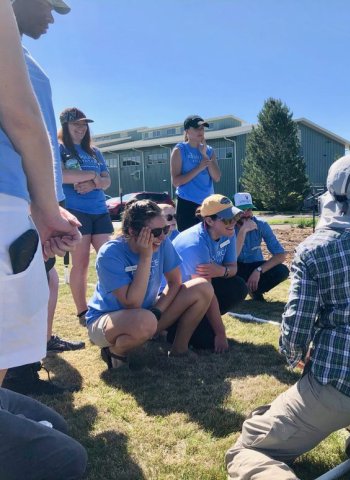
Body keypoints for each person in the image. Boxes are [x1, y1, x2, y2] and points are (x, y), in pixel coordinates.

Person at [226, 154, 350, 480]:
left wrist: (295, 359)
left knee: (248, 448)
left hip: (340, 387)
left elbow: (295, 330)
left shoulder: (314, 248)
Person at [0, 1, 87, 478]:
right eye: (48, 3)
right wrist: (46, 210)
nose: (54, 15)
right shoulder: (9, 40)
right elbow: (22, 121)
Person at [85, 200, 213, 369]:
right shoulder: (110, 253)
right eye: (156, 232)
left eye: (165, 229)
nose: (163, 236)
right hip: (106, 321)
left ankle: (179, 349)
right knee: (145, 320)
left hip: (148, 314)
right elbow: (132, 303)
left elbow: (175, 282)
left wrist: (158, 310)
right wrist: (146, 257)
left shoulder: (162, 242)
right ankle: (115, 352)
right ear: (132, 231)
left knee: (202, 287)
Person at [58, 107, 114, 325]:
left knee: (108, 259)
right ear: (65, 126)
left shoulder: (94, 151)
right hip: (76, 211)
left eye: (83, 125)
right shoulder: (60, 149)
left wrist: (92, 182)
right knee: (80, 263)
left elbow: (107, 181)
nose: (81, 129)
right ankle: (83, 311)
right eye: (76, 125)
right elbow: (63, 176)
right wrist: (93, 175)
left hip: (100, 210)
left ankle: (108, 303)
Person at [171, 194, 247, 353]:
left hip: (200, 291)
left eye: (234, 216)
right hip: (175, 299)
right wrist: (220, 332)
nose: (233, 222)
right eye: (227, 219)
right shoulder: (195, 243)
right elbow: (206, 292)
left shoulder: (228, 232)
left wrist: (221, 270)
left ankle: (202, 323)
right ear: (209, 221)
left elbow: (233, 268)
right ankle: (172, 330)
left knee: (238, 286)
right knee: (206, 340)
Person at [233, 192, 289, 302]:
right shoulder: (228, 227)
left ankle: (255, 290)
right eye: (242, 211)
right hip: (235, 267)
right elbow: (231, 259)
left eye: (249, 209)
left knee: (282, 271)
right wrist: (243, 231)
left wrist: (258, 270)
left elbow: (281, 255)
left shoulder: (261, 225)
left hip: (255, 266)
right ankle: (241, 290)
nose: (246, 214)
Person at [170, 115, 221, 232]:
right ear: (187, 131)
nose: (200, 131)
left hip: (208, 205)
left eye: (202, 128)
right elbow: (176, 182)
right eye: (197, 128)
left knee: (209, 241)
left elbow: (216, 177)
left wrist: (205, 155)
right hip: (187, 204)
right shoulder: (179, 150)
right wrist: (199, 167)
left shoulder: (209, 150)